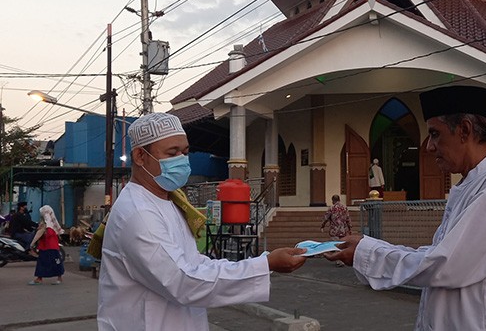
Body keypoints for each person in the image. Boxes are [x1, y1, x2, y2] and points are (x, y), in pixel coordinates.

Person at [326, 85, 486, 330]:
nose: (428, 147)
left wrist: (366, 253)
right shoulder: (471, 185)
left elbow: (444, 264)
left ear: (465, 131)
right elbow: (439, 253)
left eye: (435, 134)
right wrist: (368, 245)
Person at [97, 112, 307, 330]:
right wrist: (266, 264)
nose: (182, 160)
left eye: (185, 152)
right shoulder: (138, 214)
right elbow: (184, 281)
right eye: (172, 153)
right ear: (140, 156)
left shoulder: (167, 200)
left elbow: (193, 263)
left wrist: (263, 262)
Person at [28, 205, 65, 285]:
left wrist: (32, 243)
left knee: (48, 262)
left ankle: (43, 278)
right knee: (51, 262)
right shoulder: (51, 224)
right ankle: (41, 278)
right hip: (48, 246)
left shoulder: (47, 225)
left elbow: (41, 234)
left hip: (49, 247)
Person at [321, 194, 352, 267]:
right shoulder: (344, 208)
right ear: (339, 200)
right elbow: (348, 218)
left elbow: (326, 218)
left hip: (334, 230)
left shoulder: (332, 208)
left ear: (333, 200)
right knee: (342, 245)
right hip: (343, 230)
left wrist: (322, 226)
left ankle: (339, 261)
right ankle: (342, 260)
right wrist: (350, 228)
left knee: (336, 246)